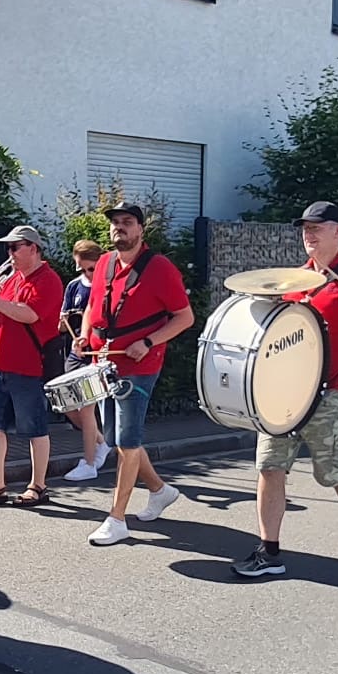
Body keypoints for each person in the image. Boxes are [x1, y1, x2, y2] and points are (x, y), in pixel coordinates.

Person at [234, 203, 338, 578]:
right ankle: (269, 552)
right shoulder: (296, 280)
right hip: (286, 394)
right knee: (270, 466)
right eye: (305, 228)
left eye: (317, 228)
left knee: (332, 472)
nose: (308, 234)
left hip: (333, 391)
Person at [79, 203, 196, 547]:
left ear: (141, 229)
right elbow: (92, 307)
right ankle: (159, 490)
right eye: (115, 223)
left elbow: (184, 317)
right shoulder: (104, 262)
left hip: (139, 368)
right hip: (105, 362)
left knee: (127, 443)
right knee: (116, 439)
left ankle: (117, 519)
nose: (120, 227)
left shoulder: (159, 268)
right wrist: (84, 336)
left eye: (127, 222)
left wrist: (148, 342)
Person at [0, 224, 65, 507]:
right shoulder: (12, 279)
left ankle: (38, 485)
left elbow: (30, 315)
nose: (10, 253)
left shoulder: (48, 280)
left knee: (35, 428)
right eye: (8, 248)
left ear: (34, 248)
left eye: (15, 247)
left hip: (30, 368)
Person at [59, 239, 111, 482]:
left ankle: (89, 462)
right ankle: (101, 442)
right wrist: (64, 321)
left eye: (91, 268)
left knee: (86, 407)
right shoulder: (74, 286)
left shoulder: (106, 287)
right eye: (82, 268)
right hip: (76, 352)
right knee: (67, 405)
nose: (87, 273)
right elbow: (62, 324)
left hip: (95, 353)